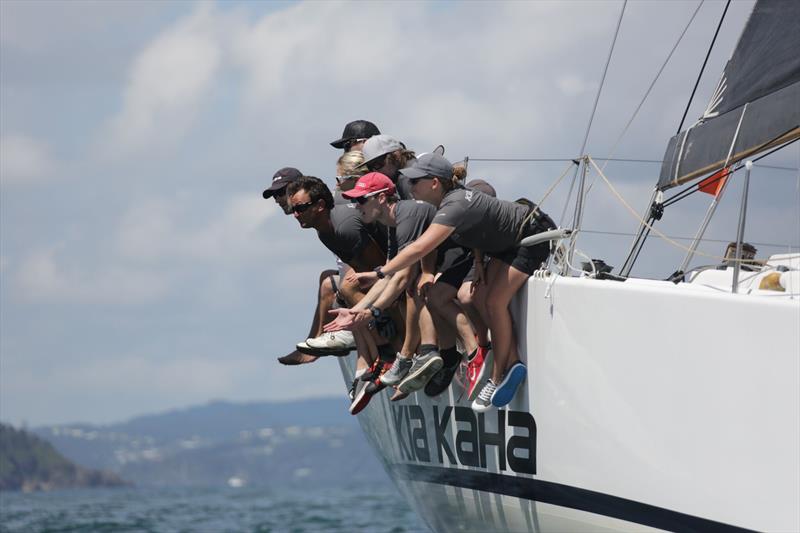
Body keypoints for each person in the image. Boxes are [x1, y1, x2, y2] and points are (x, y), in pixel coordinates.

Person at [352, 153, 555, 412]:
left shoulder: (453, 205)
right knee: (478, 297)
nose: (410, 188)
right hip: (504, 244)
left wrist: (379, 273)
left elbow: (420, 248)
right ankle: (511, 362)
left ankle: (497, 377)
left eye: (416, 182)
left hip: (531, 236)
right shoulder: (449, 200)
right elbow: (477, 230)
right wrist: (480, 263)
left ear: (435, 183)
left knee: (494, 303)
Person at [325, 172, 446, 409]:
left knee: (413, 285)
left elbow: (401, 277)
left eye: (361, 200)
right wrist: (356, 311)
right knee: (411, 284)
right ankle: (412, 356)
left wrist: (371, 313)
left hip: (459, 261)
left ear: (381, 198)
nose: (356, 207)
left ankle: (415, 354)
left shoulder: (407, 216)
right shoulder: (392, 224)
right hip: (442, 265)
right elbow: (389, 275)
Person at [285, 176, 400, 408]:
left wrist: (376, 313)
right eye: (292, 209)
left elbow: (382, 271)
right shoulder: (324, 231)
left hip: (401, 268)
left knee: (348, 287)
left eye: (300, 208)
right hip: (382, 274)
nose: (295, 214)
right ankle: (379, 353)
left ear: (319, 205)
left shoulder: (344, 226)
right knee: (345, 288)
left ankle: (391, 348)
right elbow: (359, 267)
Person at [358, 135, 416, 200]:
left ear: (396, 156)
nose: (375, 171)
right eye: (370, 167)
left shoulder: (406, 178)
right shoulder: (414, 166)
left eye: (377, 164)